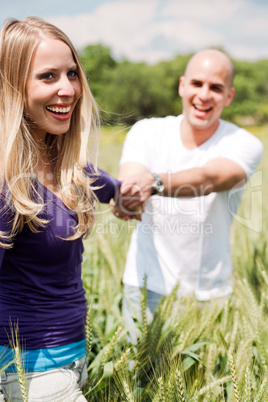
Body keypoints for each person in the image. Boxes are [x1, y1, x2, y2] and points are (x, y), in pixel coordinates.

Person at [0, 16, 133, 402]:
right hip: (30, 370)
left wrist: (143, 190)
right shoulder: (9, 184)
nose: (68, 89)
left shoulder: (71, 169)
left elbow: (120, 193)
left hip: (74, 359)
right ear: (12, 88)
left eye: (72, 73)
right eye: (48, 77)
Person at [116, 49, 263, 344]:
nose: (204, 95)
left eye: (216, 88)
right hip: (144, 286)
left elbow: (210, 178)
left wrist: (153, 183)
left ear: (229, 96)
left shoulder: (244, 143)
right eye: (197, 84)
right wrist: (126, 196)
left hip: (208, 294)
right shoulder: (146, 132)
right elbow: (130, 180)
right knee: (137, 379)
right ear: (182, 85)